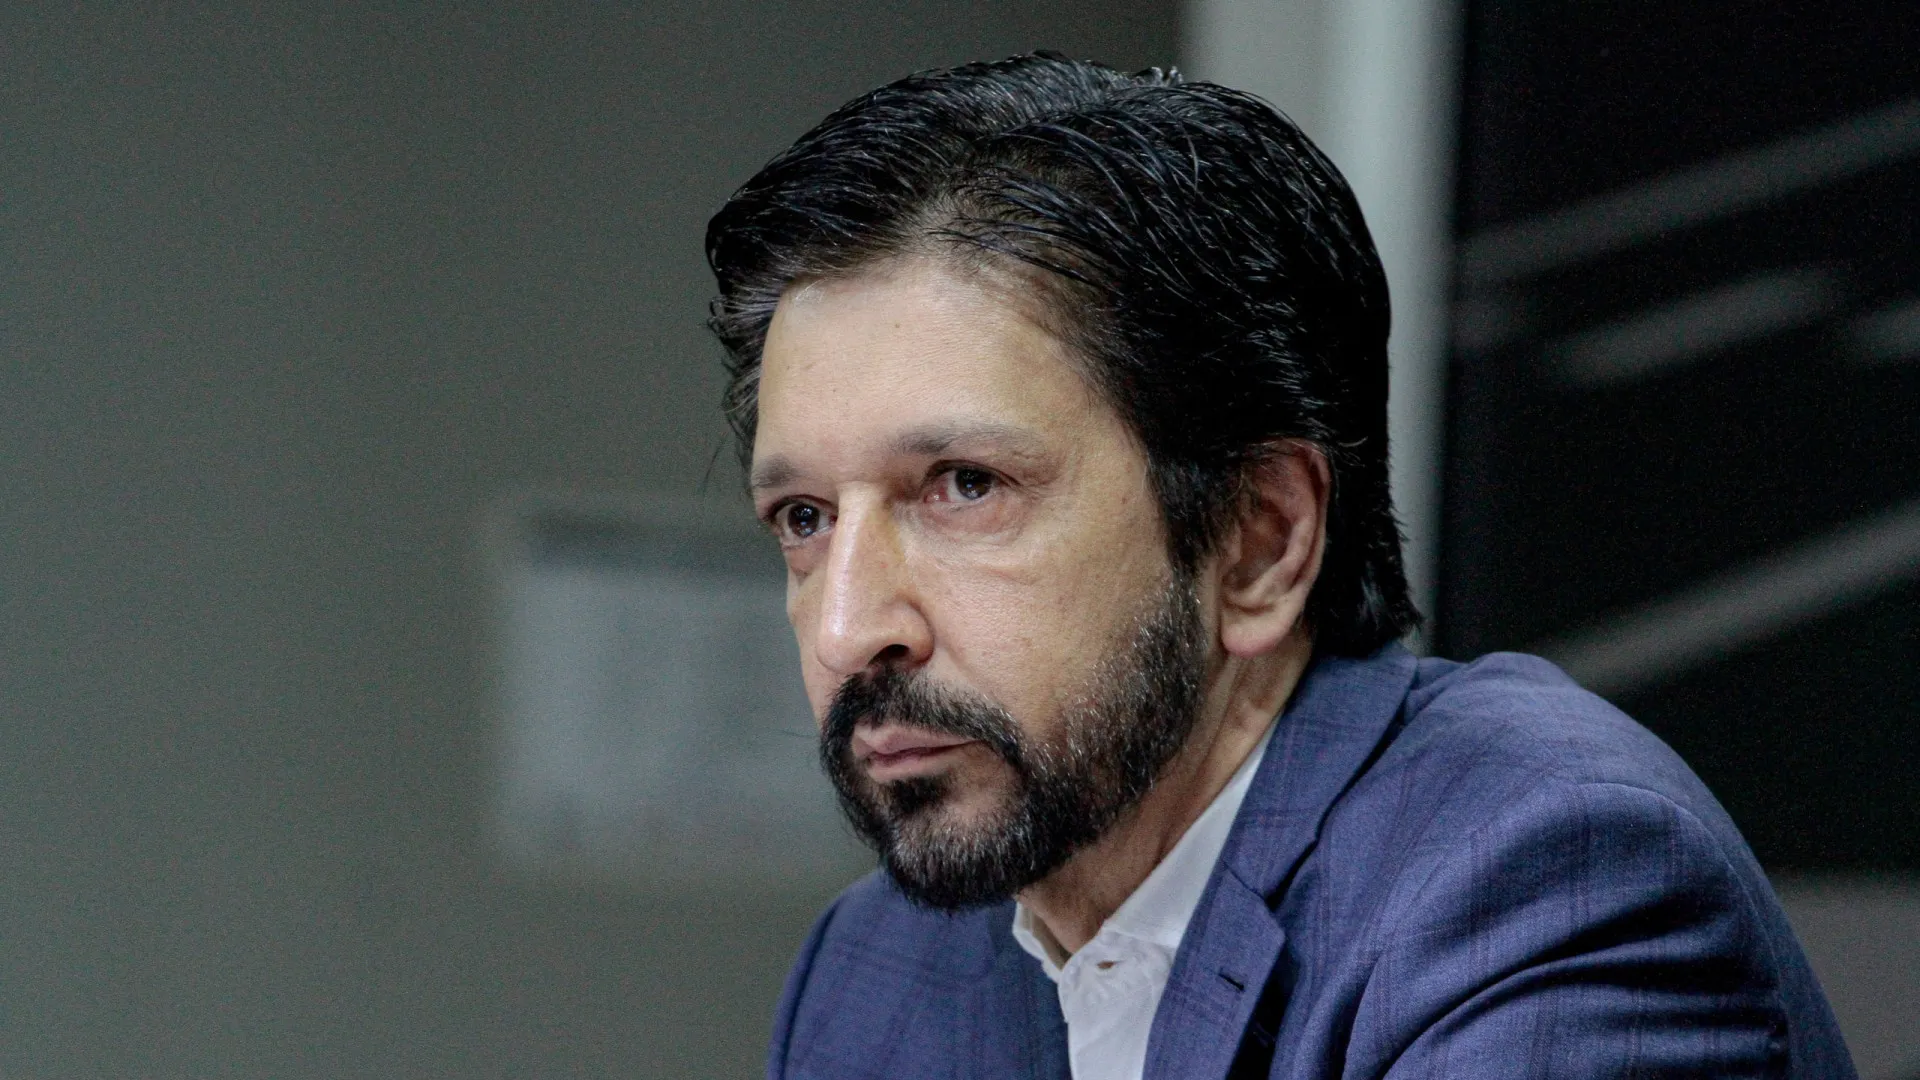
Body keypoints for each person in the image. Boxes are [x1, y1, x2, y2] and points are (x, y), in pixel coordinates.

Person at [704, 53, 1855, 1080]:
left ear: (1260, 540)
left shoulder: (1543, 886)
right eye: (804, 517)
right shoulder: (877, 971)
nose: (846, 628)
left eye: (965, 486)